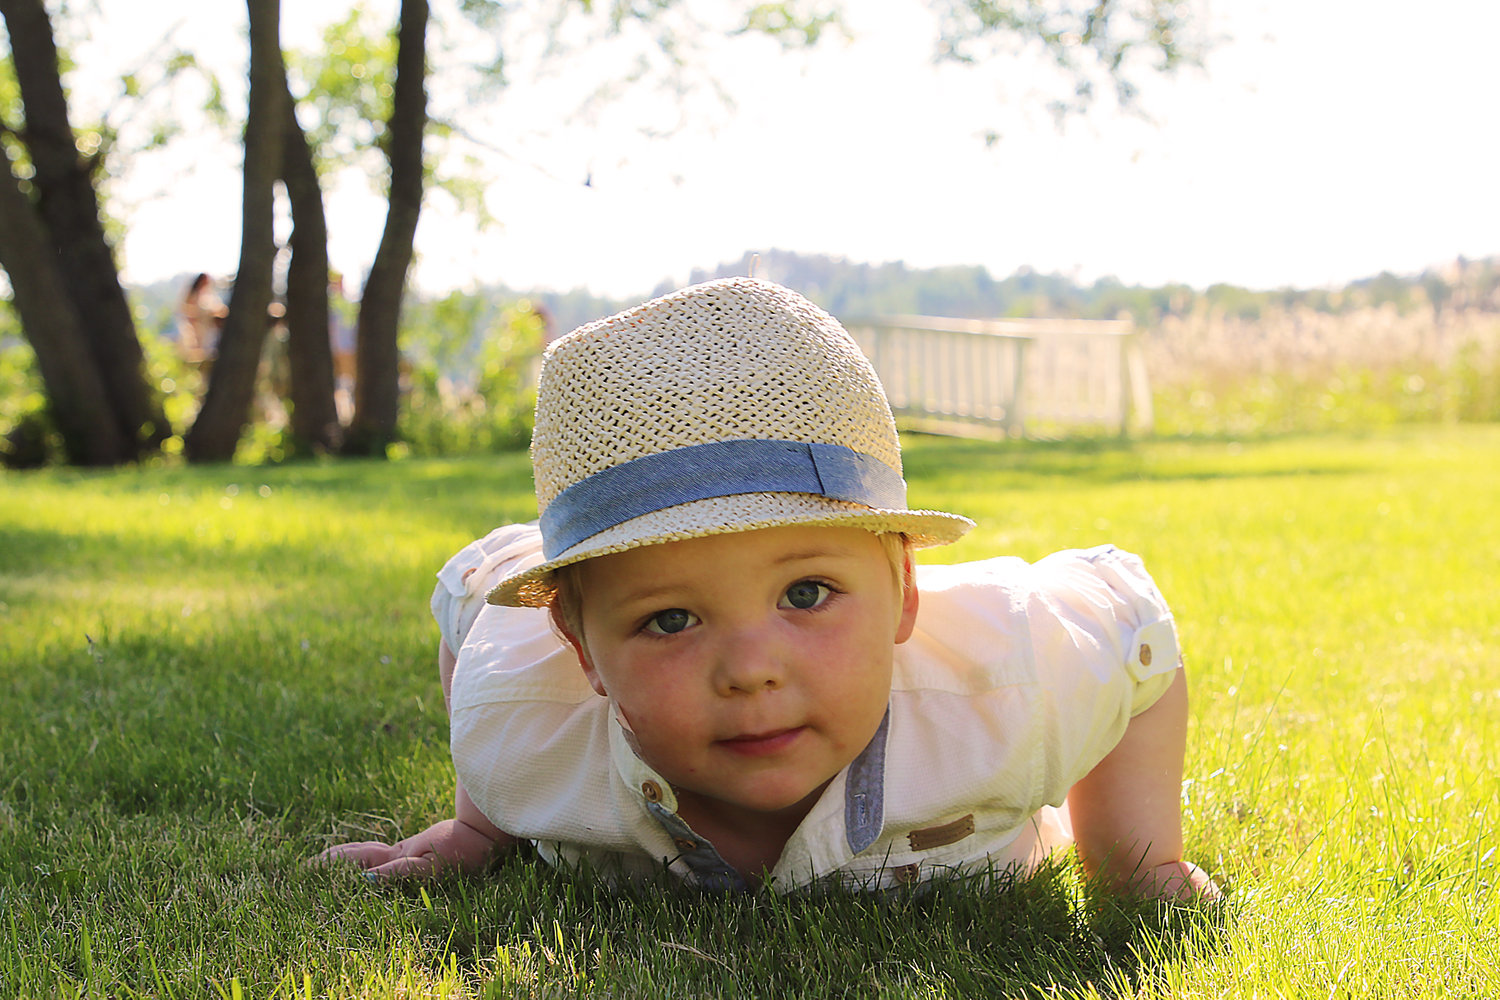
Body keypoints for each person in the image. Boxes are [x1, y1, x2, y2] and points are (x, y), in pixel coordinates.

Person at [314, 278, 1220, 900]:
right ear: (583, 651)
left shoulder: (1009, 674)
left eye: (807, 595)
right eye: (670, 619)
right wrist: (482, 824)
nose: (749, 669)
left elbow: (1133, 623)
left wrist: (1137, 860)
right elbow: (469, 604)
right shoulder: (526, 696)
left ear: (904, 589)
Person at [176, 272, 226, 369]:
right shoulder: (192, 296)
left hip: (207, 329)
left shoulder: (210, 296)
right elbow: (186, 311)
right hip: (196, 328)